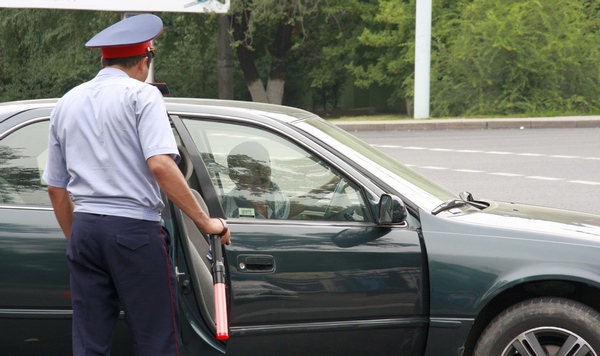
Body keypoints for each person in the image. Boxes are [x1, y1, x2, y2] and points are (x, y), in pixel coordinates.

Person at [42, 14, 230, 356]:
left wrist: (80, 241)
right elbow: (161, 165)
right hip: (133, 231)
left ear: (103, 59)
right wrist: (205, 223)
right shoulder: (143, 97)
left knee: (89, 342)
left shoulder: (66, 102)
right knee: (156, 339)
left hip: (83, 226)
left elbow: (56, 189)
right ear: (145, 61)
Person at [222, 141, 290, 219]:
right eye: (252, 169)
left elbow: (289, 206)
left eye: (264, 165)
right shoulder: (229, 214)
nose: (261, 174)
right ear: (234, 177)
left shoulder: (275, 193)